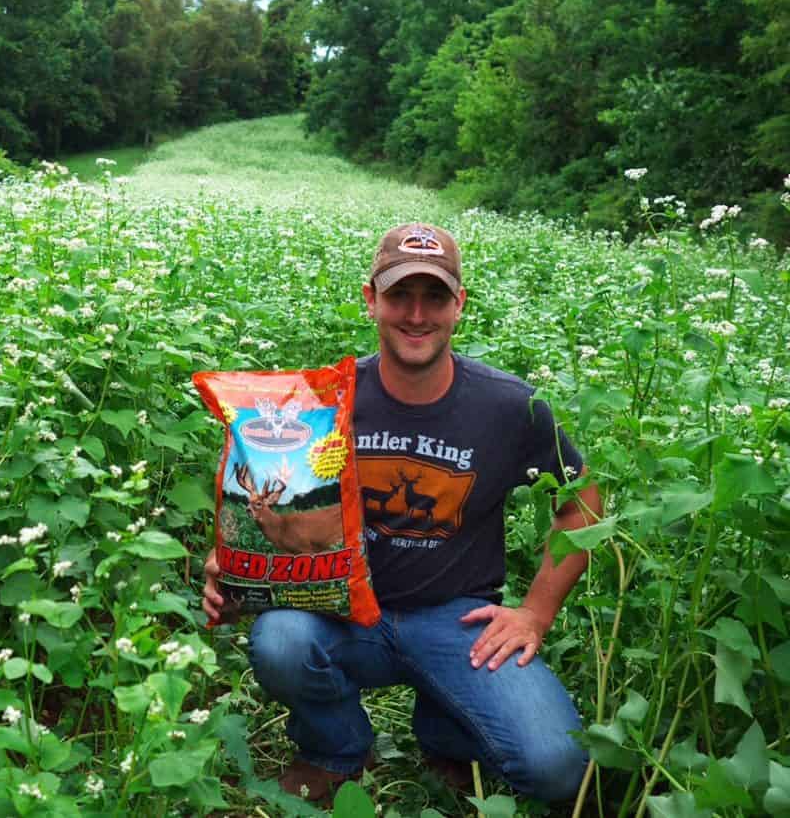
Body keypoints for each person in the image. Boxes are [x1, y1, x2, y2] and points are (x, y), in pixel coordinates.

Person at [202, 223, 602, 804]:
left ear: (458, 305)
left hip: (458, 622)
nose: (417, 315)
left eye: (434, 297)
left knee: (560, 767)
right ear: (371, 299)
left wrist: (536, 612)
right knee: (280, 640)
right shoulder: (323, 402)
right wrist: (238, 568)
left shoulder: (509, 406)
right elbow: (278, 508)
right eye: (399, 296)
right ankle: (334, 749)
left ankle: (447, 735)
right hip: (343, 615)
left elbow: (582, 499)